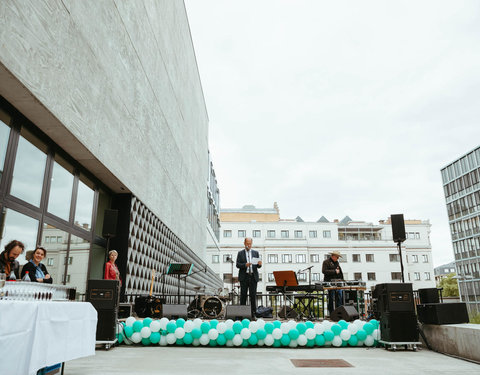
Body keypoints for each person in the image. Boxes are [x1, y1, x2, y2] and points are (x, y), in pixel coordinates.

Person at [236, 237, 262, 318]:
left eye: (250, 243)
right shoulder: (240, 253)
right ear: (244, 243)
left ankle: (253, 314)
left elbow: (258, 266)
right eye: (247, 243)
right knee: (243, 295)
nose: (248, 245)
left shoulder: (255, 253)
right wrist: (245, 265)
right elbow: (237, 264)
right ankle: (242, 315)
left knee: (253, 296)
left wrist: (259, 264)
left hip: (253, 277)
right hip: (244, 277)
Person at [322, 250, 344, 317]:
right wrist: (334, 271)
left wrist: (342, 279)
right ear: (333, 256)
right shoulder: (326, 262)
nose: (337, 258)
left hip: (337, 282)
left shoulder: (337, 263)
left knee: (339, 296)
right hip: (329, 282)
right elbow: (324, 271)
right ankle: (331, 313)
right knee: (331, 297)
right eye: (337, 257)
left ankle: (339, 311)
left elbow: (339, 272)